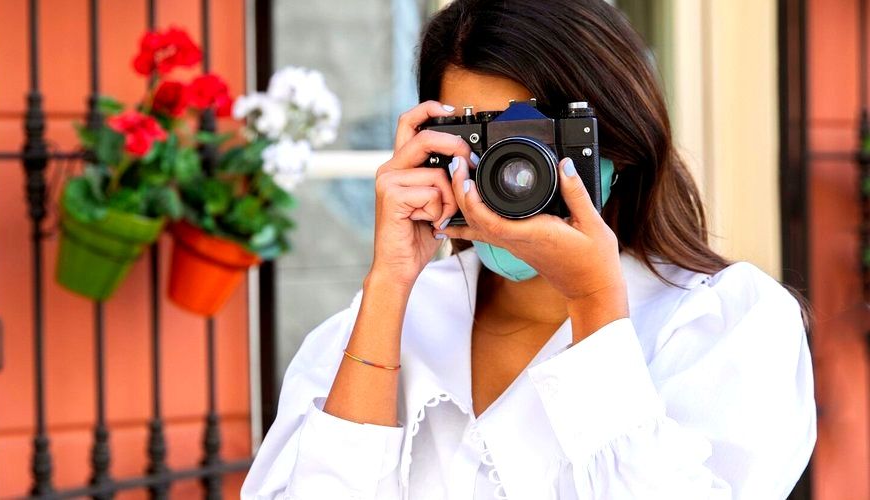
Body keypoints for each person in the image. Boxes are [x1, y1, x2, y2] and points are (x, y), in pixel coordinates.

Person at [241, 0, 816, 498]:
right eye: (480, 138)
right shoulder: (378, 326)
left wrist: (593, 302)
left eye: (537, 139)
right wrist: (390, 283)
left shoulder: (729, 324)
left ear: (618, 138)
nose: (510, 171)